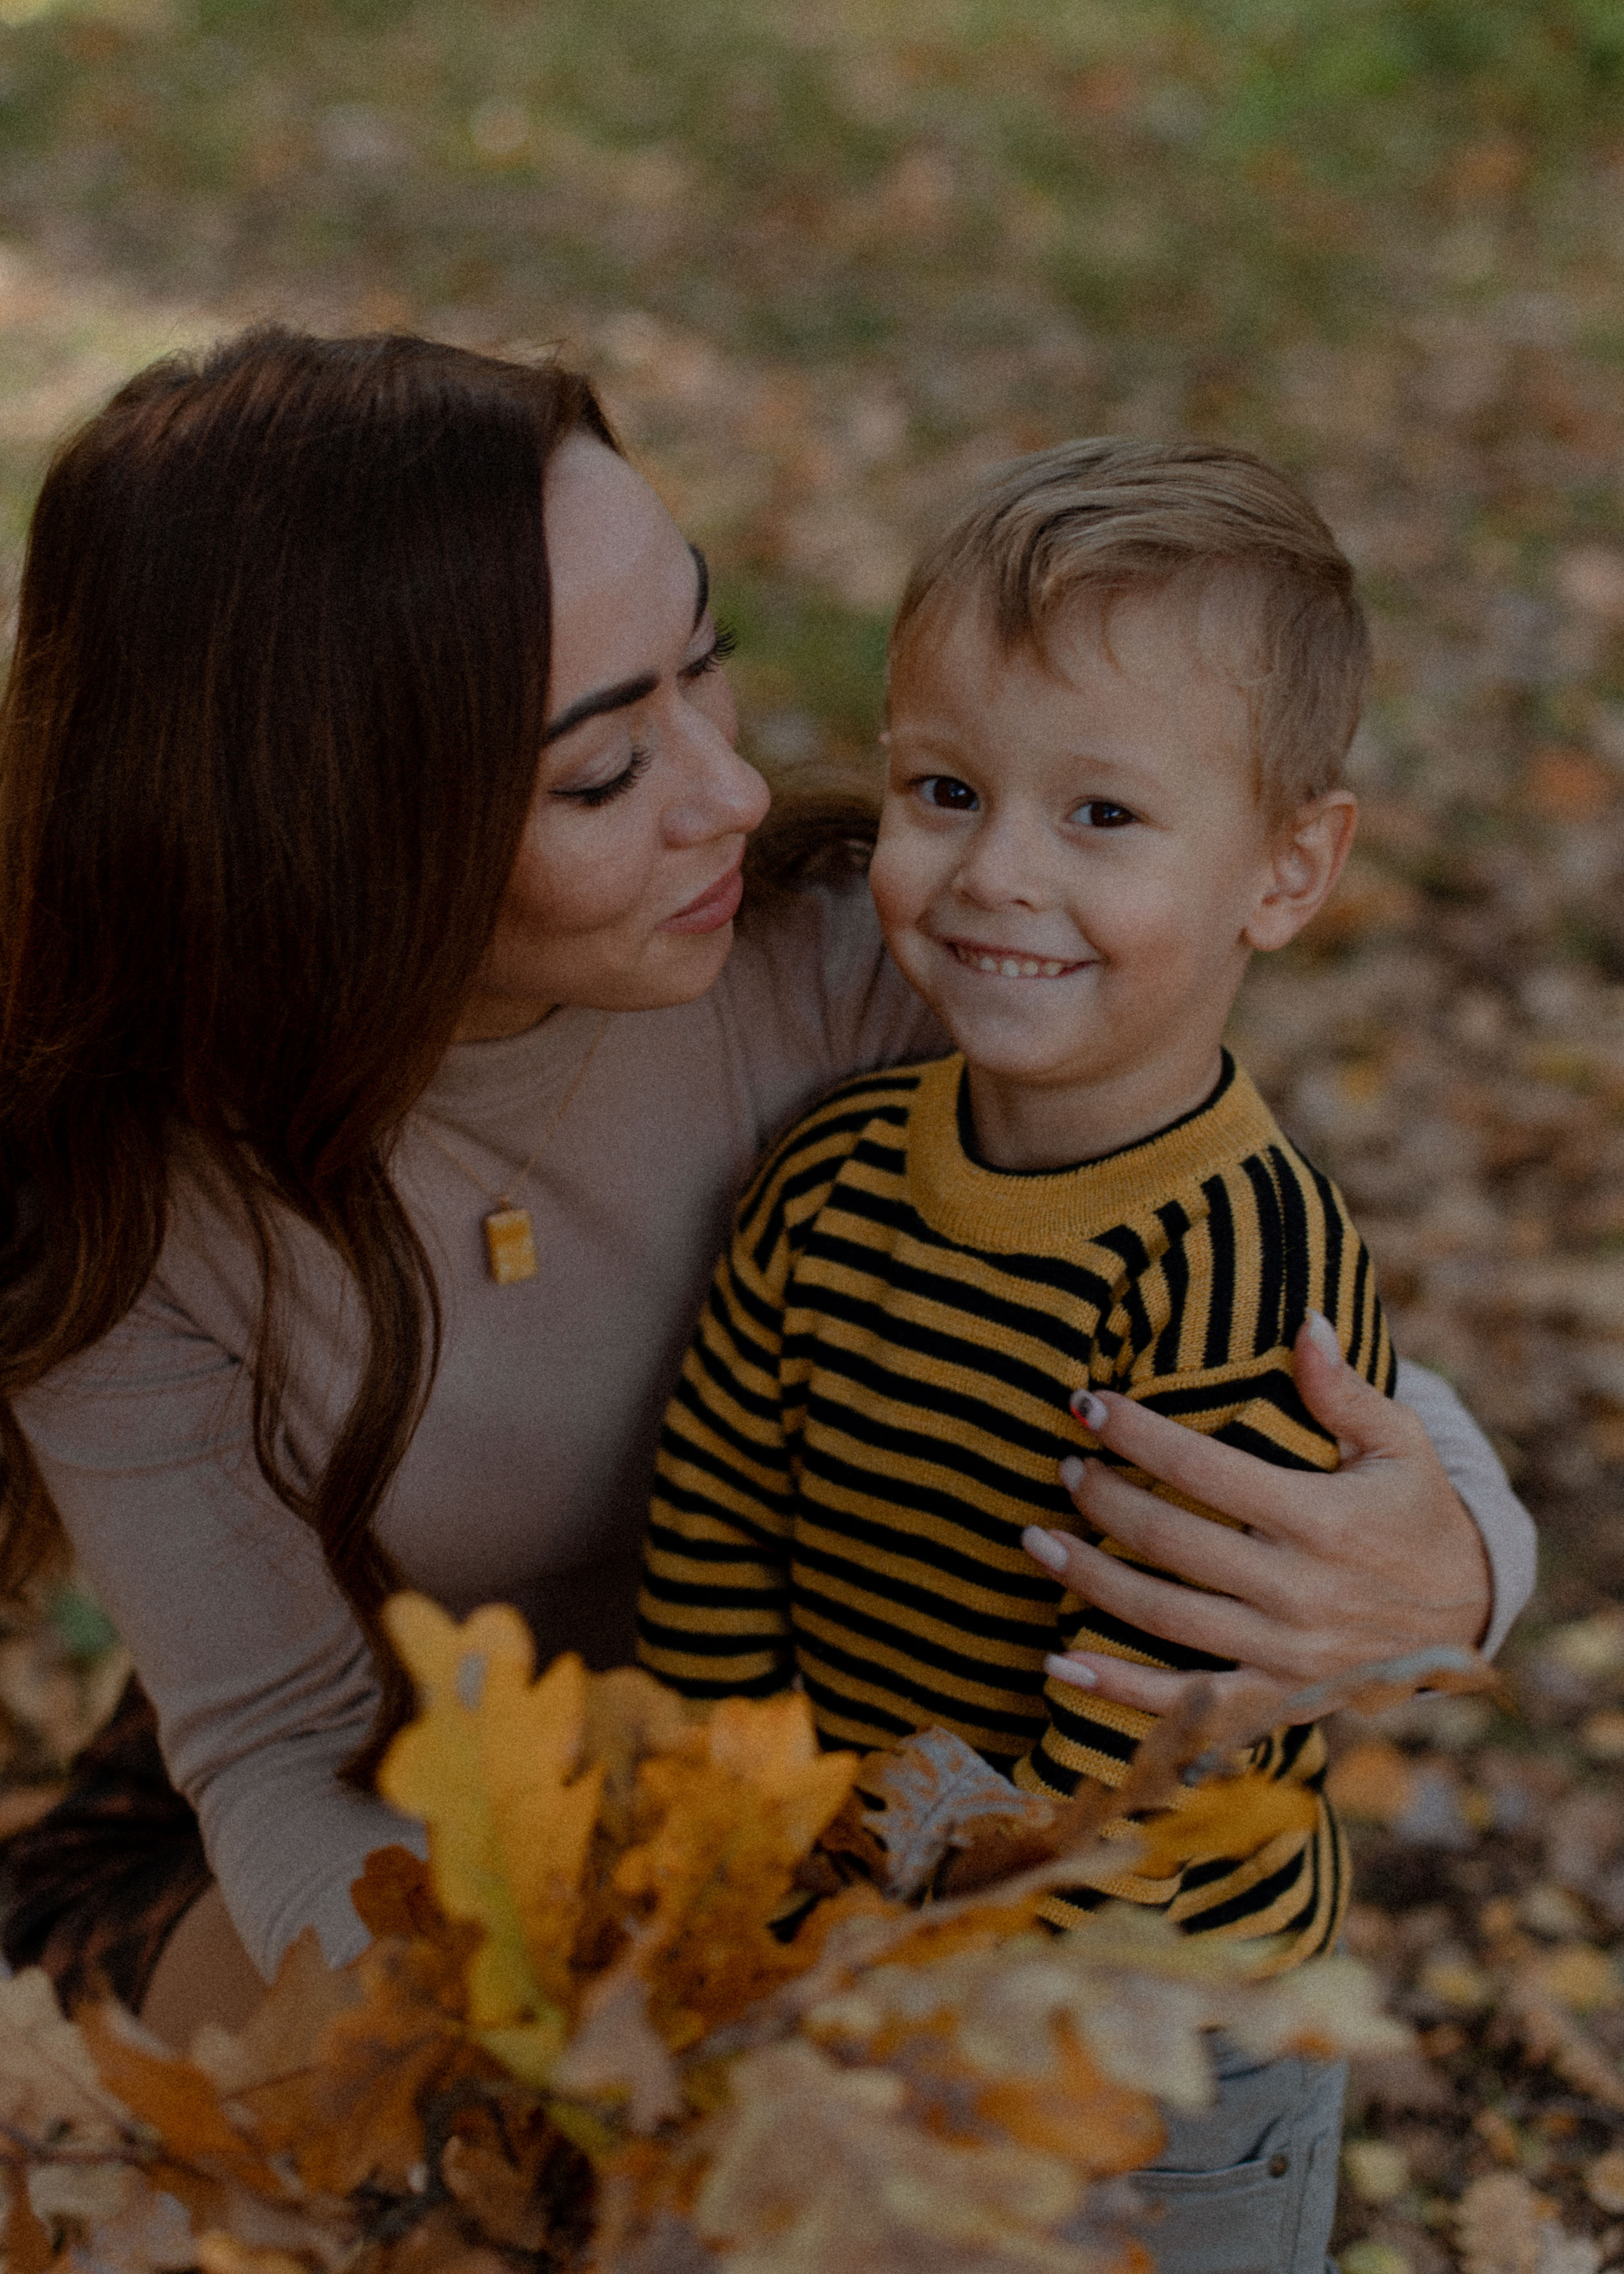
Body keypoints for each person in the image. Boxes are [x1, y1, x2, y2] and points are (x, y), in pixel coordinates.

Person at [0, 332, 1529, 2058]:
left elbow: (1260, 1322)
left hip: (846, 1849)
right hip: (385, 1865)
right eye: (601, 775)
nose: (731, 791)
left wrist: (1464, 1564)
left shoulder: (849, 972)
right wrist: (628, 2018)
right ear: (331, 833)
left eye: (701, 661)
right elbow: (279, 1755)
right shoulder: (118, 1204)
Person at [634, 439, 1467, 2268]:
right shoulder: (839, 1178)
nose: (997, 872)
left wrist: (921, 1949)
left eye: (1103, 817)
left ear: (1286, 869)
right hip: (828, 1964)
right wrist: (727, 1856)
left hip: (1146, 2041)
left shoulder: (1240, 1266)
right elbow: (716, 1533)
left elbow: (1163, 1724)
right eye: (946, 788)